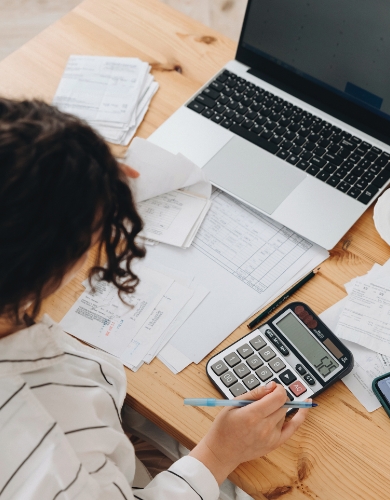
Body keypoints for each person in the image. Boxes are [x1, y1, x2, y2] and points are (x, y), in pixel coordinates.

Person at [0, 98, 309, 499]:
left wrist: (88, 172)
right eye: (101, 228)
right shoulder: (40, 448)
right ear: (41, 268)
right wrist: (218, 454)